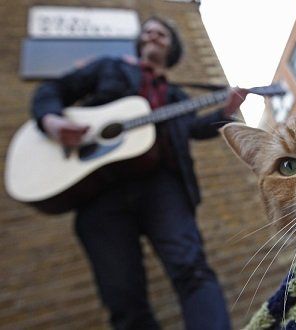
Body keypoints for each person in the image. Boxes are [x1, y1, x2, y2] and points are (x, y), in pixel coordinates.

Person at [31, 16, 247, 330]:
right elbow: (52, 90)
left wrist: (226, 111)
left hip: (163, 187)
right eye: (147, 31)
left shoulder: (177, 96)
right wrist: (51, 121)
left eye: (161, 32)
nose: (153, 34)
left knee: (193, 270)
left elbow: (195, 129)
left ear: (171, 47)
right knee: (123, 298)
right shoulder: (108, 67)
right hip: (99, 192)